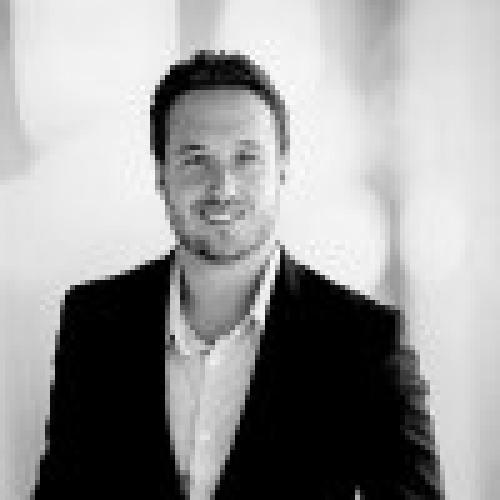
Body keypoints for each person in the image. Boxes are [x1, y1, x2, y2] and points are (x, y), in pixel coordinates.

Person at [33, 51, 442, 499]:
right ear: (161, 173)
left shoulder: (365, 342)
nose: (223, 187)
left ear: (282, 167)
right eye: (196, 159)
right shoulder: (94, 323)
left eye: (246, 158)